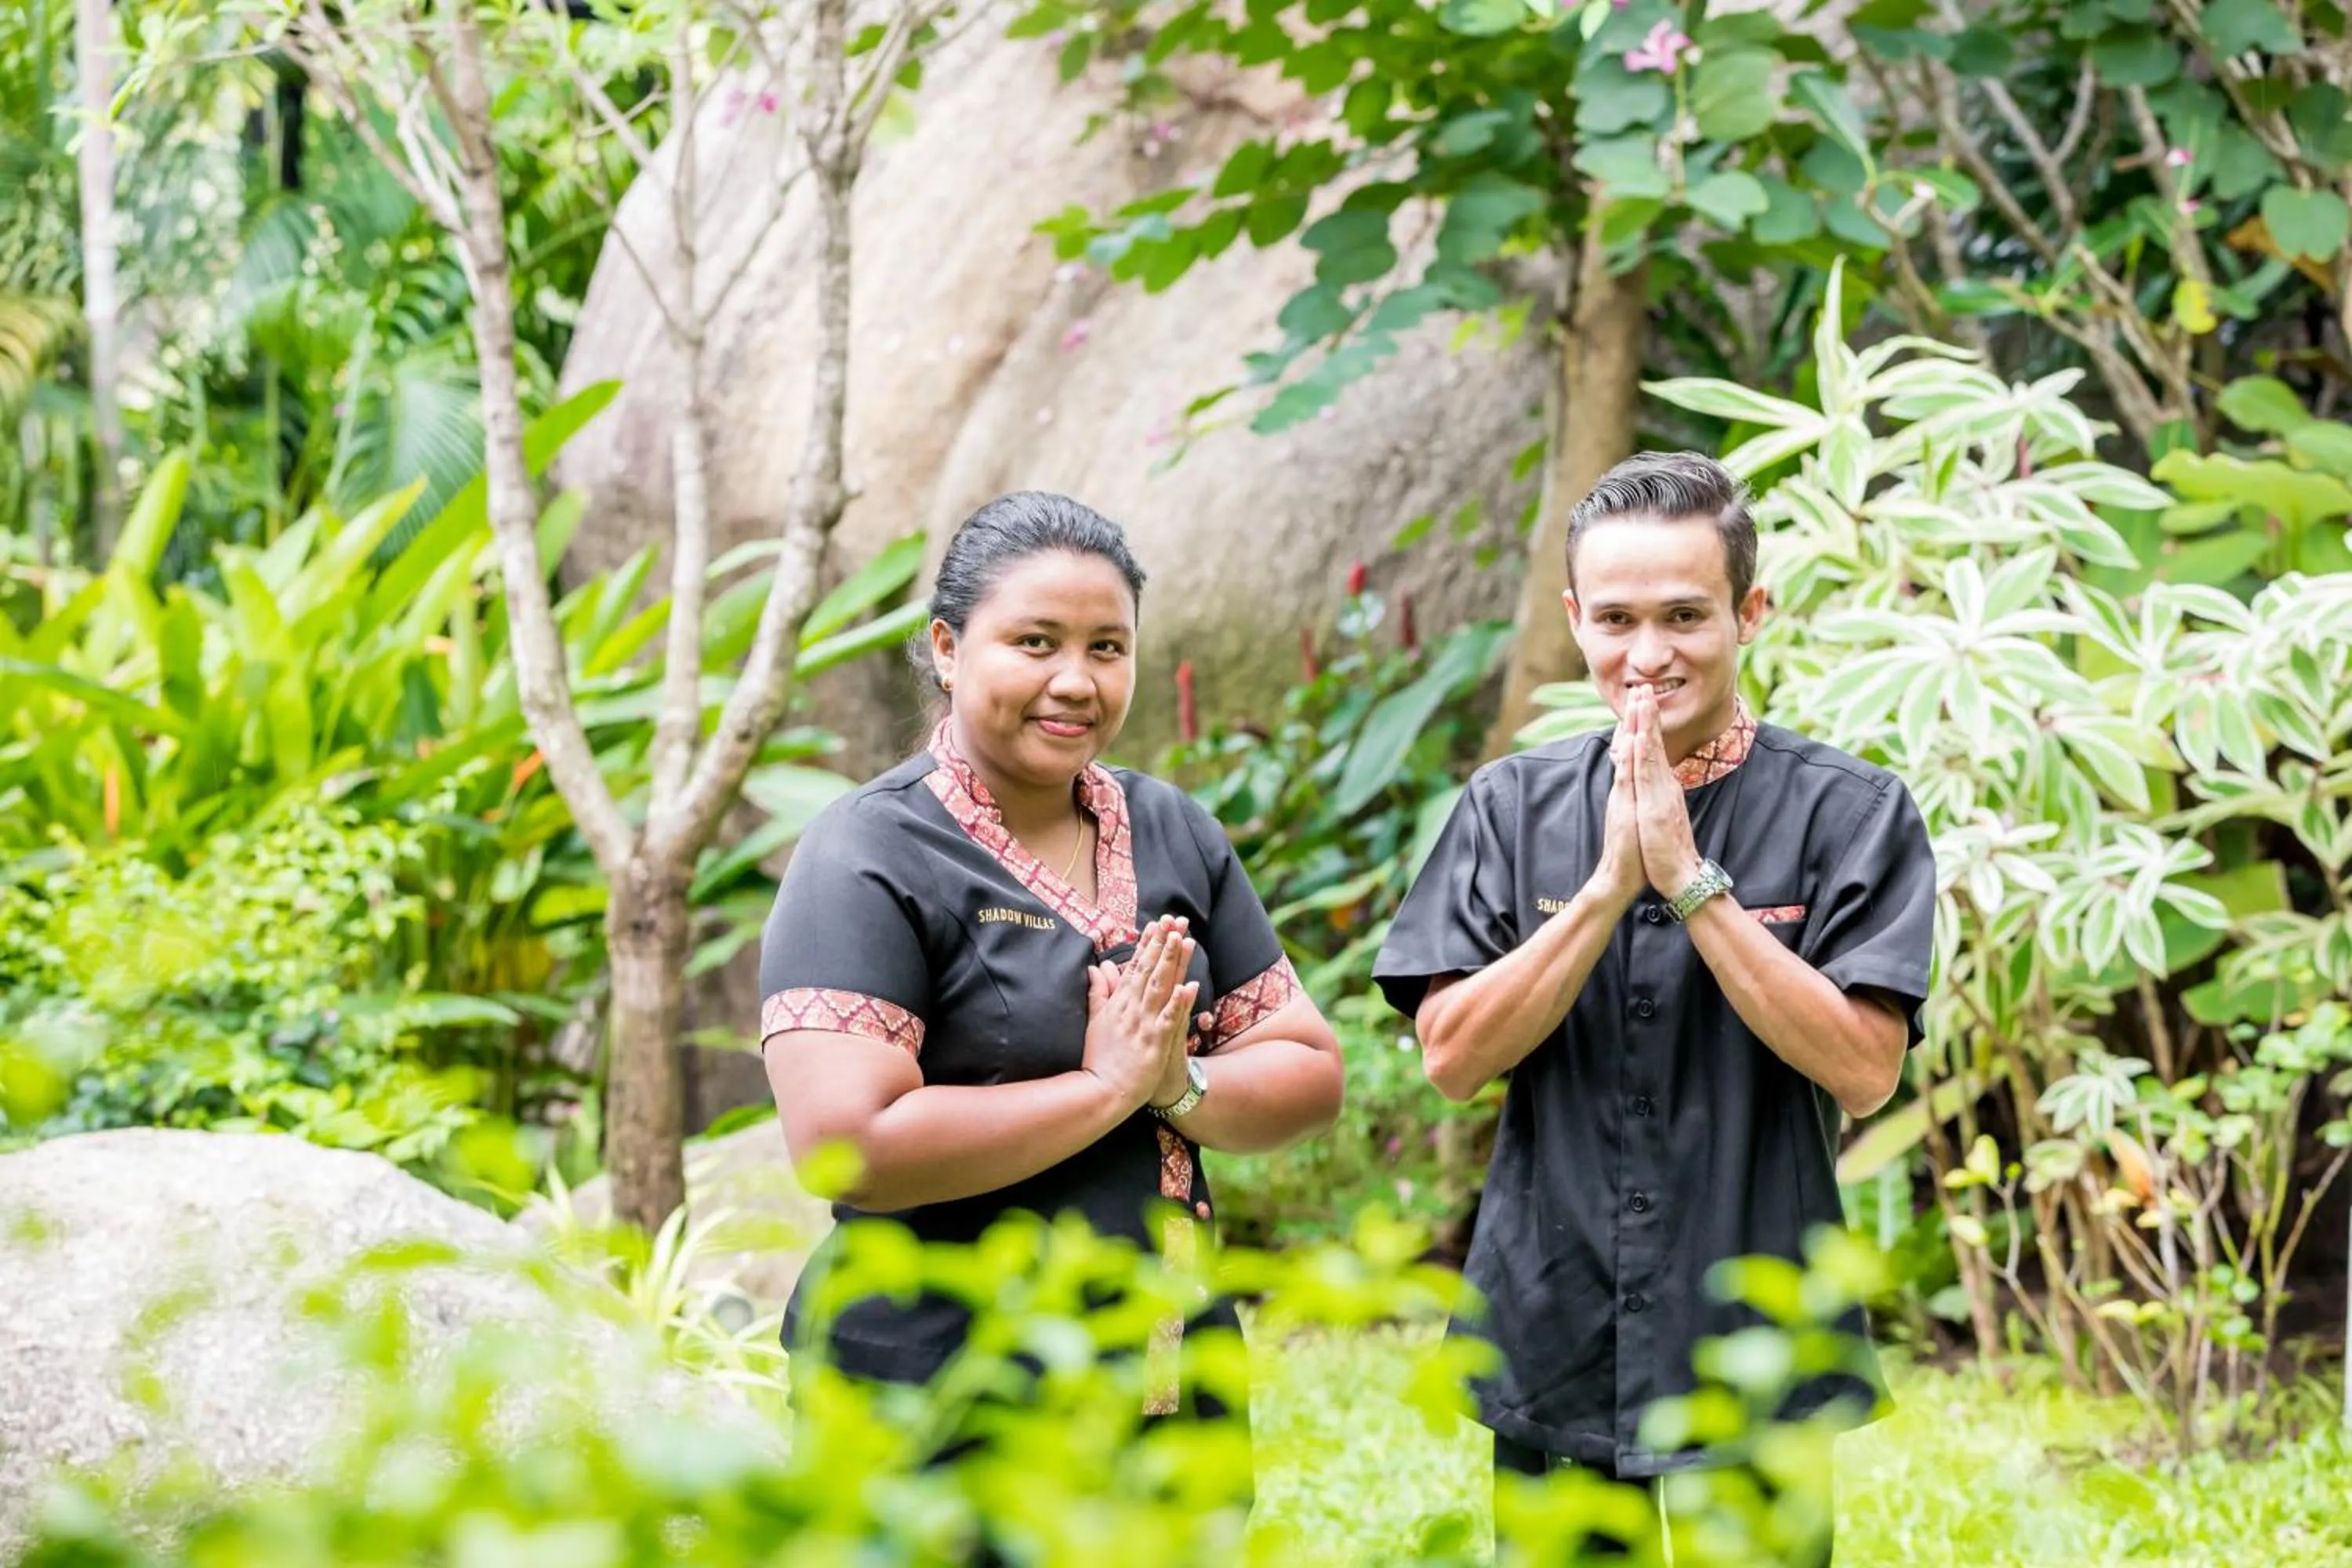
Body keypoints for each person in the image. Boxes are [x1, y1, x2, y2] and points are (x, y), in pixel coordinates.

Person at [1374, 451, 1936, 1559]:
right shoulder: (1510, 807)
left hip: (1755, 1325)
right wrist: (1602, 893)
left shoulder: (1853, 813)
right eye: (1617, 619)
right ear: (1577, 618)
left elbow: (1866, 1069)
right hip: (1555, 1314)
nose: (1647, 656)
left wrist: (1690, 884)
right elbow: (1451, 1059)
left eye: (1685, 616)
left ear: (1750, 612)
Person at [758, 490, 1345, 1436]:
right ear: (948, 650)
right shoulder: (869, 854)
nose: (1076, 679)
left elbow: (1309, 1070)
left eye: (1107, 647)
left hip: (1167, 1381)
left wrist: (1177, 1080)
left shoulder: (1172, 831)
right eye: (1036, 642)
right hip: (936, 1401)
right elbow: (848, 1146)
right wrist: (1105, 1088)